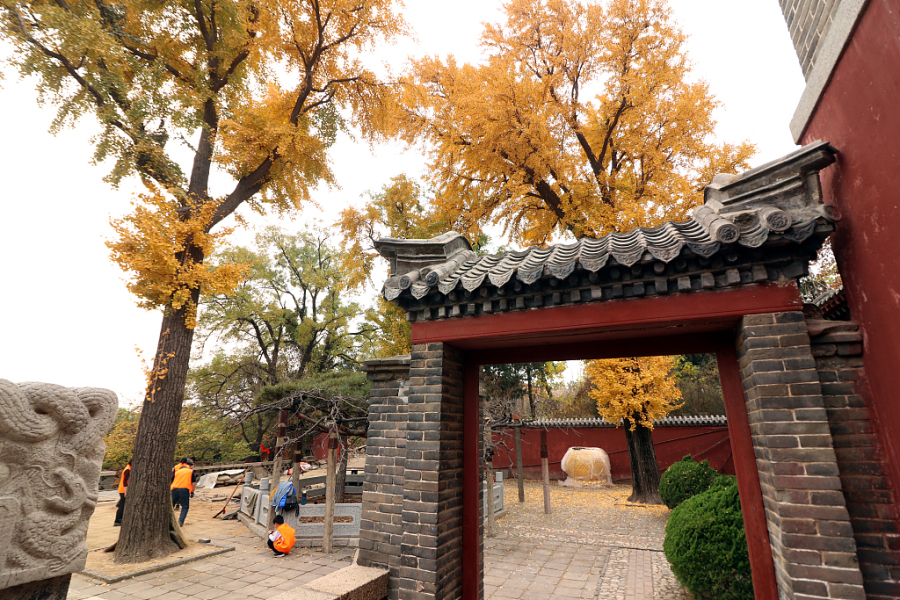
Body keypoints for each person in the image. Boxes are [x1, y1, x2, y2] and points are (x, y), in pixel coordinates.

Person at [170, 457, 196, 526]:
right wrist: (192, 491)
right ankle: (180, 521)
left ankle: (168, 521)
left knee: (171, 506)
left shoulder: (177, 471)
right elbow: (193, 482)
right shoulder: (190, 471)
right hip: (184, 490)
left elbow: (171, 480)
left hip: (174, 489)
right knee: (185, 506)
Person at [113, 461, 131, 526]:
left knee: (122, 504)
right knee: (122, 506)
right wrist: (126, 492)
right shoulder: (128, 469)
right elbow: (125, 481)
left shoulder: (128, 468)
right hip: (123, 490)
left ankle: (119, 519)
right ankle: (117, 520)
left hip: (122, 489)